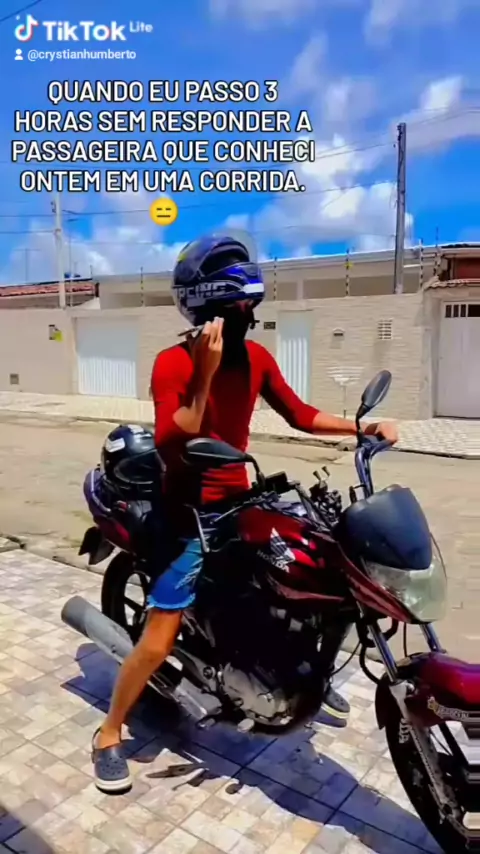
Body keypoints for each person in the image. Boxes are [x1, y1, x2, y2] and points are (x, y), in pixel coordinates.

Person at [92, 235, 399, 793]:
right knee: (158, 638)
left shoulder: (256, 359)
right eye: (234, 307)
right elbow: (173, 439)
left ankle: (296, 672)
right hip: (185, 514)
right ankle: (109, 731)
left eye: (249, 305)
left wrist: (362, 427)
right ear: (204, 308)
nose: (245, 315)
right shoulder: (173, 363)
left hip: (241, 499)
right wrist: (205, 373)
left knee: (302, 577)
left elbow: (301, 414)